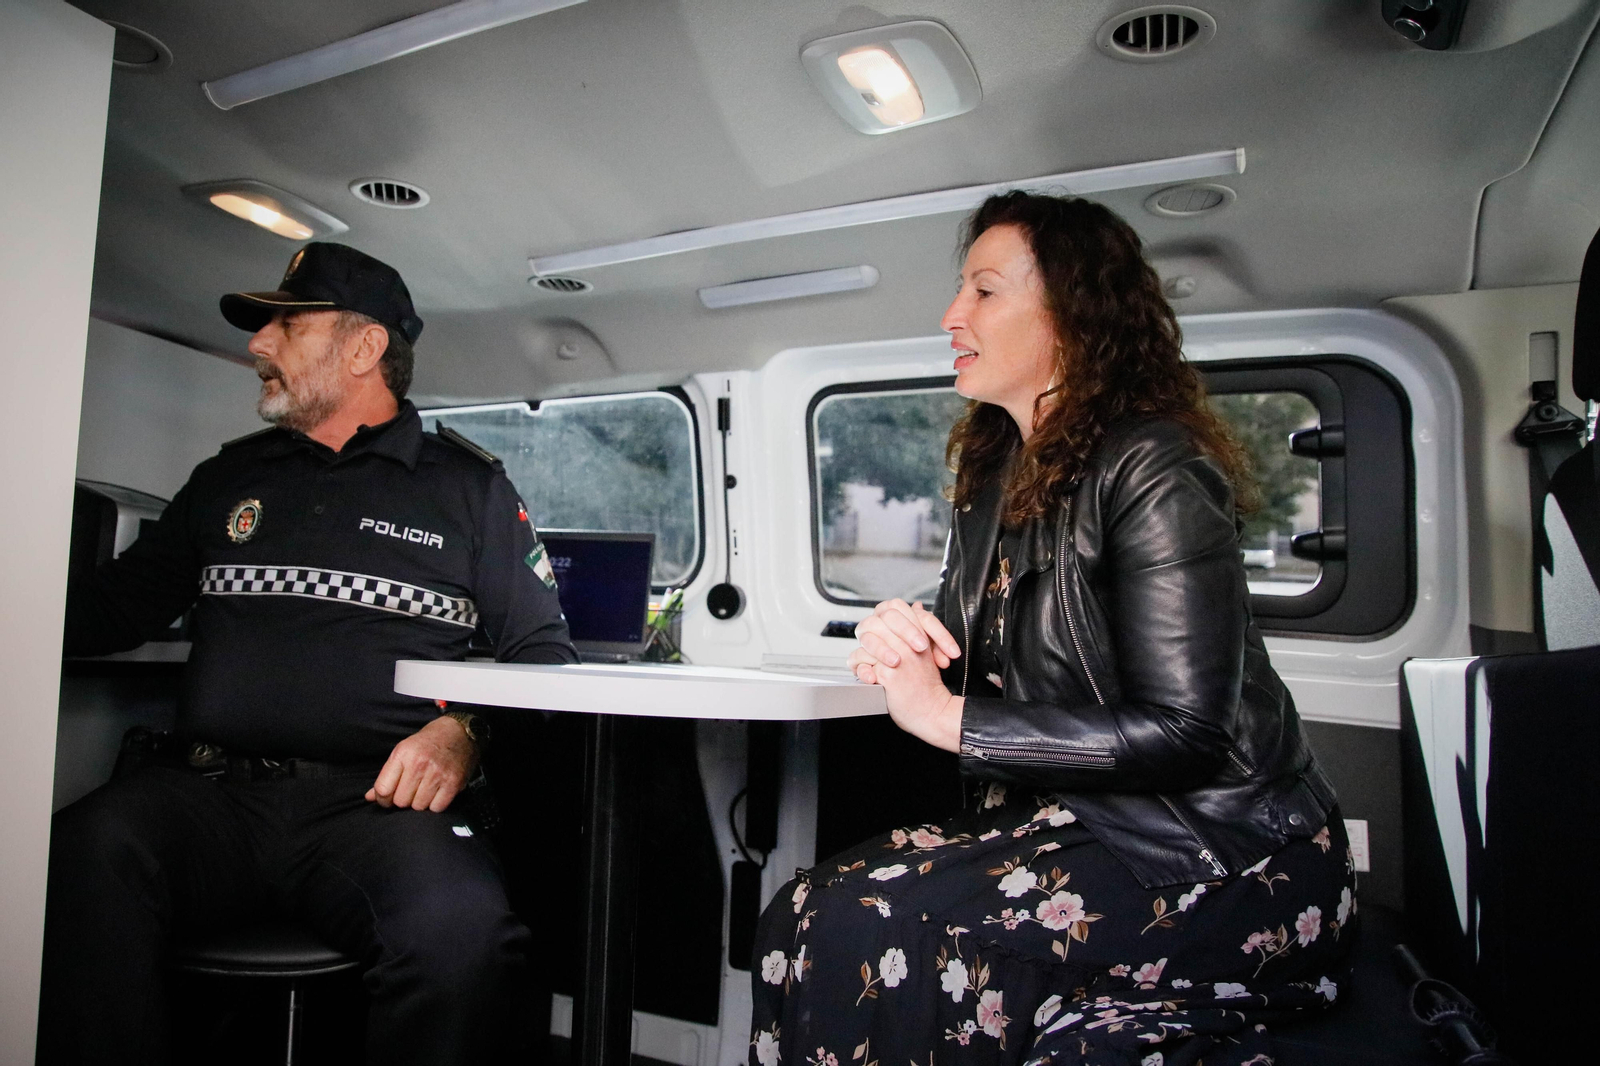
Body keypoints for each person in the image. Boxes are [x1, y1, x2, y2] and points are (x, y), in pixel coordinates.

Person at [748, 194, 1355, 1066]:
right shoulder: (997, 473)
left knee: (859, 919)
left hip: (1227, 854)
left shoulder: (1156, 465)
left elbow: (1188, 734)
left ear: (1074, 313)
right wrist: (904, 635)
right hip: (1088, 822)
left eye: (984, 292)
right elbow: (977, 648)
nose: (952, 316)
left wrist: (941, 716)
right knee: (806, 911)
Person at [41, 242, 577, 1064]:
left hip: (374, 813)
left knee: (462, 939)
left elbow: (543, 657)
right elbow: (114, 607)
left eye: (288, 326)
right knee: (76, 858)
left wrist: (464, 733)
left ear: (364, 349)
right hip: (206, 796)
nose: (259, 345)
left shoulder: (469, 490)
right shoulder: (229, 478)